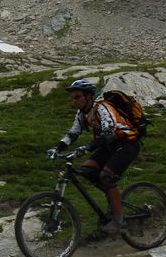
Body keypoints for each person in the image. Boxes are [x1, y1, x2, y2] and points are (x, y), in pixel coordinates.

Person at [53, 79, 140, 236]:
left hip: (126, 144)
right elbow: (73, 133)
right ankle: (112, 201)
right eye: (73, 97)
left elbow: (109, 132)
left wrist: (87, 147)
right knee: (87, 170)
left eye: (77, 96)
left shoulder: (102, 108)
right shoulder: (81, 113)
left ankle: (119, 221)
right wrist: (56, 148)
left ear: (88, 97)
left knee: (106, 176)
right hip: (108, 146)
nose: (74, 100)